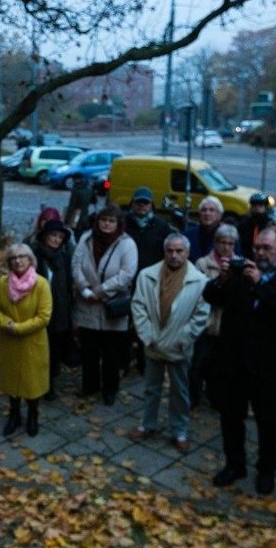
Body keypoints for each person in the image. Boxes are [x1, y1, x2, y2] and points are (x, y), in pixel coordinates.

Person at [204, 226, 276, 495]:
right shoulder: (240, 274)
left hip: (269, 366)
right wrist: (222, 280)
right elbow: (211, 297)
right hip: (235, 362)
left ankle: (266, 471)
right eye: (257, 247)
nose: (259, 252)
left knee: (268, 423)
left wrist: (260, 284)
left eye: (267, 248)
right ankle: (234, 465)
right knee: (230, 417)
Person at [129, 233, 209, 453]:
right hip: (153, 342)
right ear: (164, 252)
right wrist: (147, 336)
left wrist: (183, 339)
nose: (174, 255)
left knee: (180, 391)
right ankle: (148, 424)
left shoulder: (200, 281)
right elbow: (138, 307)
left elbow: (201, 316)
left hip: (179, 347)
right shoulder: (147, 275)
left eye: (179, 251)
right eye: (170, 251)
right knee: (151, 388)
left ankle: (179, 430)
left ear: (187, 253)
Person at [72, 204, 138, 406]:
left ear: (118, 223)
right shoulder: (86, 239)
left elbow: (126, 274)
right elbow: (75, 265)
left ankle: (110, 389)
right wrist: (84, 289)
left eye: (111, 221)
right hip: (87, 304)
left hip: (112, 305)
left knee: (111, 353)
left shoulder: (127, 244)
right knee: (89, 350)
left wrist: (99, 291)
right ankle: (90, 385)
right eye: (103, 220)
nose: (106, 224)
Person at [0, 243, 52, 437]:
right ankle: (14, 415)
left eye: (21, 256)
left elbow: (44, 316)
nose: (17, 261)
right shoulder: (3, 283)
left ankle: (33, 415)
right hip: (10, 343)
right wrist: (6, 323)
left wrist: (18, 328)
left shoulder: (41, 284)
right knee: (12, 382)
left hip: (32, 343)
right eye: (13, 258)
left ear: (30, 259)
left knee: (33, 383)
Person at [124, 186, 173, 375]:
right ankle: (126, 360)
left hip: (151, 283)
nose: (142, 206)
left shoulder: (161, 227)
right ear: (133, 203)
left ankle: (145, 361)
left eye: (146, 203)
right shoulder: (125, 224)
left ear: (152, 205)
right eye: (139, 202)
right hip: (127, 281)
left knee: (148, 323)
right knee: (125, 324)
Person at [191, 223, 239, 409]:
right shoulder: (203, 263)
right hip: (206, 322)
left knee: (220, 366)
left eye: (230, 243)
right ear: (215, 243)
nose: (226, 247)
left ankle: (215, 396)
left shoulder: (240, 264)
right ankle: (193, 397)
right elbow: (199, 292)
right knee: (198, 364)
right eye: (222, 242)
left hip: (227, 325)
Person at [30, 219, 74, 401]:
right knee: (39, 350)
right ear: (45, 237)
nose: (56, 240)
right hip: (38, 311)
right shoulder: (35, 257)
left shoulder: (64, 258)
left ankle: (49, 385)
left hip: (60, 310)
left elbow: (68, 285)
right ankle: (37, 383)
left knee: (54, 350)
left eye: (60, 237)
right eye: (53, 235)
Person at [183, 196, 225, 262]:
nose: (207, 213)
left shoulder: (228, 236)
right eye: (204, 210)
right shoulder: (188, 235)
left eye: (212, 210)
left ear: (220, 215)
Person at [236, 192, 272, 260]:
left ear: (265, 207)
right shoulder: (244, 223)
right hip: (246, 257)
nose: (257, 208)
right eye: (254, 205)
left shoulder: (269, 224)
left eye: (260, 205)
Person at [64, 173, 97, 240]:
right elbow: (94, 201)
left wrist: (66, 219)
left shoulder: (76, 189)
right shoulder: (89, 188)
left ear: (75, 179)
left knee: (76, 233)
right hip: (85, 214)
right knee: (82, 232)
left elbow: (72, 206)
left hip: (76, 215)